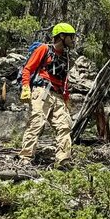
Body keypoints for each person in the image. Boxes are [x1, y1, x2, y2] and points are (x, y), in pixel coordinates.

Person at [18, 23, 76, 167]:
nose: (73, 40)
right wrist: (26, 87)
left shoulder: (66, 58)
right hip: (41, 91)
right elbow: (28, 69)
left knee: (65, 126)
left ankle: (63, 160)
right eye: (71, 37)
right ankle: (26, 157)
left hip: (58, 95)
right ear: (62, 36)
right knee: (37, 123)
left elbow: (65, 81)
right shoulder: (44, 49)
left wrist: (66, 99)